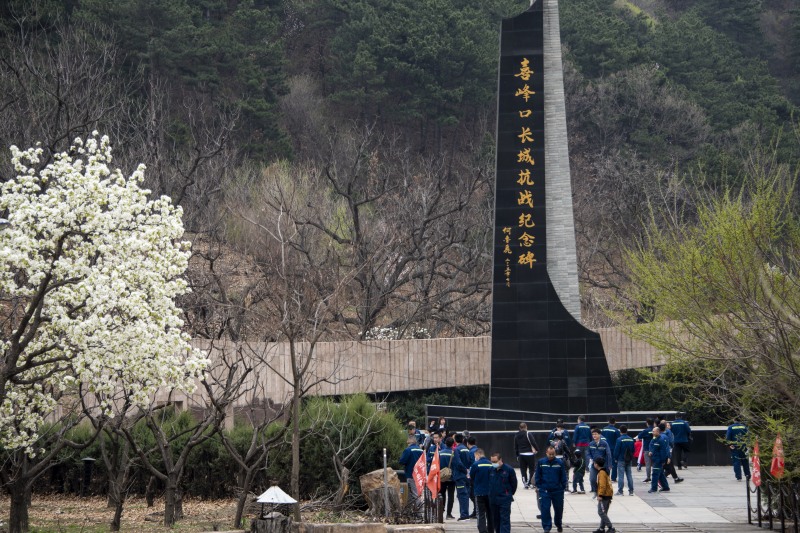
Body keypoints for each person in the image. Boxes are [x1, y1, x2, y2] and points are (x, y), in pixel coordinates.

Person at [534, 446, 567, 533]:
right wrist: (539, 486)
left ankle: (558, 524)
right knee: (545, 509)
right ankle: (547, 527)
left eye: (553, 454)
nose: (551, 456)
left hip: (557, 491)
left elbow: (563, 475)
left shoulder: (559, 463)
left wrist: (563, 487)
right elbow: (537, 475)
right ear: (546, 453)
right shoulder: (541, 462)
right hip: (545, 491)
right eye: (550, 454)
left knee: (559, 509)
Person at [489, 452, 517, 533]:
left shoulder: (509, 470)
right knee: (496, 520)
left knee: (505, 520)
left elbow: (514, 484)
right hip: (493, 499)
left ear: (500, 460)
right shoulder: (491, 470)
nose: (493, 463)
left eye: (495, 461)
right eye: (492, 461)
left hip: (504, 499)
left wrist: (508, 494)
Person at [470, 449, 494, 533]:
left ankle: (482, 530)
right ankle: (491, 529)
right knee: (490, 512)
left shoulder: (475, 464)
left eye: (475, 456)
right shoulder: (491, 464)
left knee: (480, 513)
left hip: (479, 492)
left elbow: (471, 476)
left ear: (478, 455)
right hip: (490, 492)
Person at [593, 457, 616, 533]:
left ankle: (610, 527)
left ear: (596, 464)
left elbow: (602, 485)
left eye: (594, 463)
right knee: (604, 512)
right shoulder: (604, 471)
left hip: (604, 495)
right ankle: (601, 529)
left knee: (601, 512)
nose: (593, 464)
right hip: (607, 494)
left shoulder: (601, 473)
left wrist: (600, 495)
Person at [586, 428, 612, 495]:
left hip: (603, 465)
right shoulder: (591, 444)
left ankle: (603, 493)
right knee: (592, 479)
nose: (594, 436)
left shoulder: (604, 444)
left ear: (599, 435)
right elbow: (588, 453)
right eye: (593, 434)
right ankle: (596, 490)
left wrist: (609, 465)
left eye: (595, 434)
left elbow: (608, 454)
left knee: (603, 480)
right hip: (594, 465)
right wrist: (590, 459)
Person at [398, 436, 424, 500]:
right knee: (416, 492)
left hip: (410, 474)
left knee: (413, 493)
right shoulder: (421, 450)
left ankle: (418, 506)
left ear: (409, 441)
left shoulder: (408, 450)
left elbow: (402, 461)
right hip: (419, 475)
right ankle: (414, 505)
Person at [453, 434, 472, 520]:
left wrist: (464, 470)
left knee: (462, 495)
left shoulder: (457, 449)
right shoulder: (466, 449)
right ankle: (465, 514)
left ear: (455, 440)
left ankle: (464, 515)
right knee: (466, 494)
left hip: (460, 476)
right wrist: (467, 471)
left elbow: (458, 463)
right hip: (466, 476)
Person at [514, 422, 538, 489]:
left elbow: (516, 446)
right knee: (531, 469)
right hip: (530, 454)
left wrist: (517, 455)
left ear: (519, 428)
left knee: (523, 469)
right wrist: (537, 449)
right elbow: (533, 442)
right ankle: (530, 483)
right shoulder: (528, 434)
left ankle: (525, 483)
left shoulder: (516, 435)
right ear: (526, 427)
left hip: (521, 454)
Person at [647, 426, 670, 493]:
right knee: (661, 474)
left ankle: (653, 488)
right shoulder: (654, 438)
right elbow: (651, 445)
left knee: (655, 474)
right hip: (655, 459)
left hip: (658, 460)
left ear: (658, 432)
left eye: (654, 431)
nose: (652, 432)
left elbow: (663, 451)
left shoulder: (661, 440)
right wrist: (650, 451)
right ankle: (665, 487)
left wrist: (662, 460)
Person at [613, 425, 634, 496]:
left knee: (621, 476)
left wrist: (615, 458)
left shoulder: (619, 439)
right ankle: (631, 491)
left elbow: (616, 450)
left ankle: (620, 491)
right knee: (629, 475)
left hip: (621, 459)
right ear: (626, 430)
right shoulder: (631, 439)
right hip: (629, 459)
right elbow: (633, 449)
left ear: (620, 431)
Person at [439, 437, 457, 519]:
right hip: (451, 477)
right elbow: (457, 464)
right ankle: (448, 514)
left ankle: (441, 511)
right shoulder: (454, 453)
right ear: (453, 444)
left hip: (442, 477)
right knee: (451, 496)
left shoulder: (440, 453)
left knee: (441, 494)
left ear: (445, 443)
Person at [636, 418, 655, 482]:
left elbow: (639, 436)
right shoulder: (656, 430)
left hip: (647, 449)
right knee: (655, 464)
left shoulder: (645, 431)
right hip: (655, 449)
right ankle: (656, 477)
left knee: (648, 464)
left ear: (647, 423)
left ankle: (648, 477)